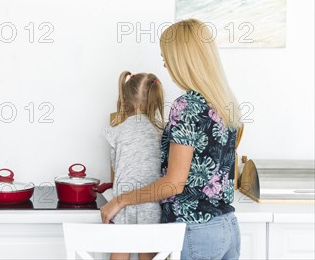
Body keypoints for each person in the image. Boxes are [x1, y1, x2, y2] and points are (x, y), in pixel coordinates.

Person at [100, 19, 242, 260]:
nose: (164, 64)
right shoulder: (225, 103)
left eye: (167, 56)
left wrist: (120, 200)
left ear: (183, 59)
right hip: (227, 227)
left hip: (195, 231)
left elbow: (174, 183)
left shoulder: (186, 107)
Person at [105, 71, 165, 260]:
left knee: (120, 251)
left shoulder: (116, 131)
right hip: (151, 204)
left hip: (121, 204)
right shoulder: (162, 132)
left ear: (125, 99)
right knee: (148, 254)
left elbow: (115, 165)